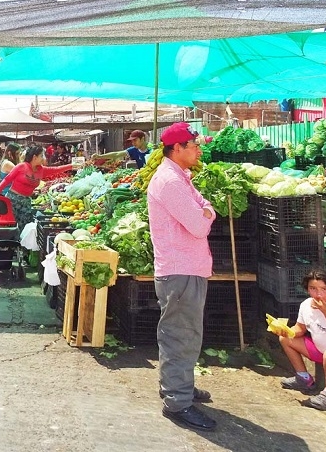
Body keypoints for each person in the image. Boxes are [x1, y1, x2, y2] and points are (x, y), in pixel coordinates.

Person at [146, 122, 216, 431]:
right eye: (193, 145)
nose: (198, 150)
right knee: (180, 335)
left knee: (186, 334)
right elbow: (200, 224)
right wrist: (206, 213)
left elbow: (205, 209)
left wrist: (206, 210)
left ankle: (179, 386)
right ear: (177, 149)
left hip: (188, 267)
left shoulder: (179, 177)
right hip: (180, 269)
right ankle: (177, 401)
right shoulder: (170, 182)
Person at [276, 270, 326, 411]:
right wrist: (288, 331)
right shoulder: (306, 305)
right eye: (313, 289)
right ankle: (303, 378)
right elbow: (300, 328)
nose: (319, 294)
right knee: (285, 338)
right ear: (307, 289)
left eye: (324, 289)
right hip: (321, 352)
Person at [0, 145, 76, 233]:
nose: (43, 158)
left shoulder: (41, 170)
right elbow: (7, 179)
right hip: (13, 199)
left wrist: (71, 166)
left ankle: (22, 246)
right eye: (42, 156)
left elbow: (57, 169)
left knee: (24, 228)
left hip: (26, 202)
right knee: (11, 226)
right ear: (34, 157)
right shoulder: (21, 166)